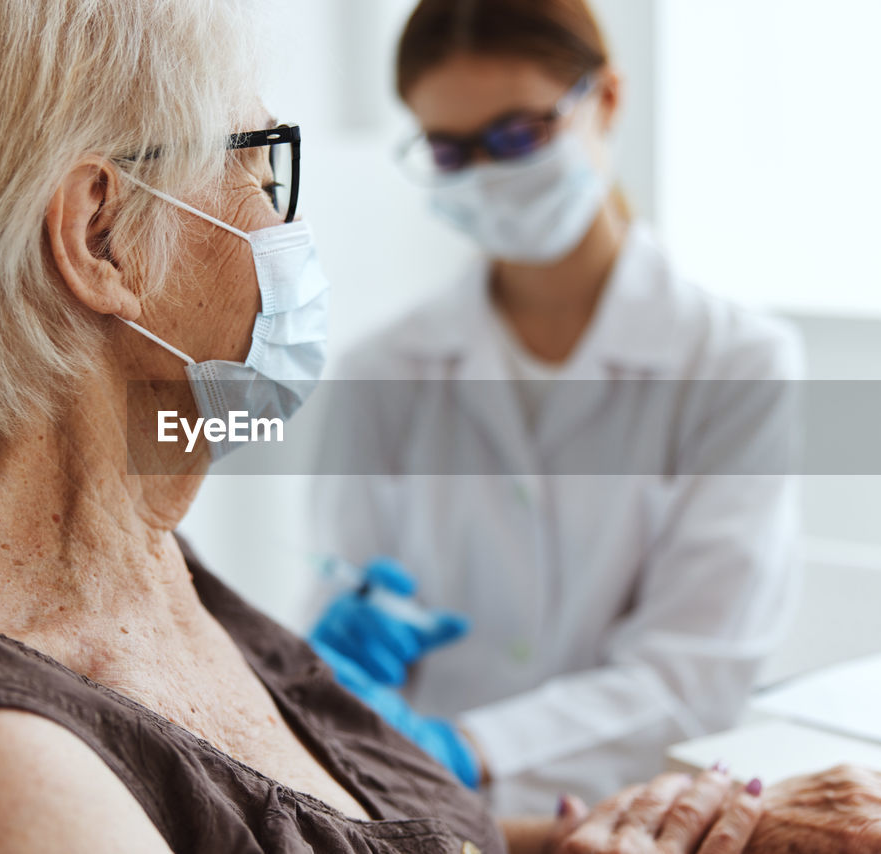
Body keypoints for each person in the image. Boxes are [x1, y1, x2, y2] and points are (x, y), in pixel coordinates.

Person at [0, 1, 881, 853]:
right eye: (260, 167)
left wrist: (684, 826)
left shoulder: (127, 537)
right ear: (101, 235)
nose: (281, 224)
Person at [308, 0, 802, 815]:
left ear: (606, 100)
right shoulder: (380, 371)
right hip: (414, 812)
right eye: (450, 149)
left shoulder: (737, 363)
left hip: (639, 815)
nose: (487, 174)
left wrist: (466, 748)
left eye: (517, 135)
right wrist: (327, 670)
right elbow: (337, 618)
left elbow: (695, 673)